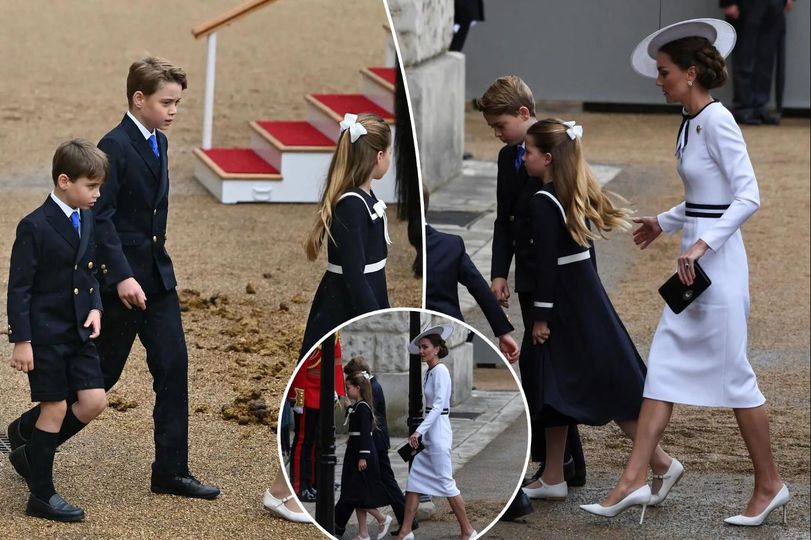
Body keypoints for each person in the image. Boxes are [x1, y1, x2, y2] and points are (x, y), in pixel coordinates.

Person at [582, 19, 788, 527]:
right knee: (664, 368)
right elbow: (704, 199)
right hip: (693, 270)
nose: (658, 79)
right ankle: (634, 479)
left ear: (691, 73)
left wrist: (699, 243)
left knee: (737, 380)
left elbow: (748, 196)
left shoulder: (717, 121)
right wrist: (666, 221)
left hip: (716, 271)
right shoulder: (689, 120)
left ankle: (770, 484)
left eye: (664, 71)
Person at [6, 57, 218, 499]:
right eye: (167, 102)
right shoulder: (114, 145)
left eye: (178, 103)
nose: (174, 111)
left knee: (174, 368)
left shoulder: (158, 142)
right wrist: (119, 276)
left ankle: (171, 471)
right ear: (138, 99)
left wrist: (147, 272)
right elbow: (99, 218)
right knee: (101, 378)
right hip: (119, 287)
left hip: (157, 280)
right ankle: (28, 439)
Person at [517, 119, 674, 520]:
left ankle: (659, 462)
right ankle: (553, 473)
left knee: (605, 384)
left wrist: (541, 316)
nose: (524, 156)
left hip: (567, 304)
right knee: (552, 382)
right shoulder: (573, 193)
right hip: (582, 296)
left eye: (529, 151)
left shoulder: (543, 200)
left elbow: (548, 265)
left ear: (548, 158)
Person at [477, 76, 586, 490]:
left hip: (552, 277)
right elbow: (504, 218)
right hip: (526, 275)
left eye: (500, 125)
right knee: (541, 371)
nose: (498, 135)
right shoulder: (509, 159)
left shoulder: (557, 148)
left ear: (524, 114)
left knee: (548, 370)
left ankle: (557, 464)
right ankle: (565, 463)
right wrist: (499, 272)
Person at [6, 140, 109, 521]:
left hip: (79, 333)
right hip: (44, 336)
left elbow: (91, 272)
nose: (97, 194)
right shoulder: (34, 225)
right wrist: (22, 340)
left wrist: (96, 307)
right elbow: (19, 288)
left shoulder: (87, 217)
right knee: (55, 407)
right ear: (64, 181)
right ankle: (42, 496)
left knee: (94, 401)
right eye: (91, 186)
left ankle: (30, 454)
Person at [300, 113, 393, 358]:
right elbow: (354, 273)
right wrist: (375, 316)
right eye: (390, 152)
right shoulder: (351, 205)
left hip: (363, 292)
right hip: (343, 303)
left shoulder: (365, 196)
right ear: (379, 156)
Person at [396, 325, 477, 540]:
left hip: (438, 432)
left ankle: (468, 530)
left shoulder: (440, 371)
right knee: (414, 482)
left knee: (447, 484)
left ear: (437, 349)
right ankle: (405, 531)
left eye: (425, 347)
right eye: (420, 347)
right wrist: (421, 431)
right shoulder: (430, 371)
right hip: (430, 432)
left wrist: (419, 431)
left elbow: (439, 405)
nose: (422, 351)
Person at [423, 187, 520, 364]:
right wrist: (503, 332)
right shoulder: (450, 245)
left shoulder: (387, 247)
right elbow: (480, 289)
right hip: (452, 329)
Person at [337, 357, 404, 537]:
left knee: (360, 490)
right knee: (359, 490)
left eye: (349, 384)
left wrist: (363, 454)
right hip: (365, 446)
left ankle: (384, 519)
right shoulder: (365, 395)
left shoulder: (370, 392)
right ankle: (362, 532)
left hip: (372, 445)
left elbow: (365, 425)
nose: (347, 388)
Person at [287, 337, 346, 502]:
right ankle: (299, 486)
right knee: (304, 441)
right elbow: (302, 368)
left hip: (324, 391)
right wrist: (298, 398)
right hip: (307, 393)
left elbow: (336, 364)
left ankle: (316, 481)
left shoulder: (334, 338)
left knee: (319, 441)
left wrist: (336, 389)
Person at [721, 0, 794, 124]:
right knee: (744, 57)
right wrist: (728, 2)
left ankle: (760, 106)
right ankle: (743, 108)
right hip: (745, 5)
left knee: (766, 59)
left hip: (773, 5)